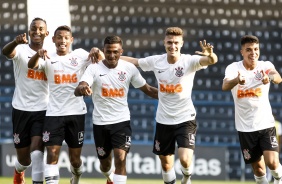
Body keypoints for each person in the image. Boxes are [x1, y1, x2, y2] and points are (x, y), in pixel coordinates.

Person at [120, 27, 218, 184]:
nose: (173, 46)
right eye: (170, 42)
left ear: (182, 44)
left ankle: (187, 177)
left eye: (176, 43)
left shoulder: (189, 61)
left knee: (185, 160)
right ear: (164, 43)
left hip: (186, 118)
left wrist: (210, 54)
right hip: (163, 120)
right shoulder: (156, 61)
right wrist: (108, 57)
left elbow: (211, 61)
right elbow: (134, 62)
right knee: (166, 164)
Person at [74, 35, 158, 184]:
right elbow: (80, 86)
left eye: (115, 51)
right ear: (103, 51)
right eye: (108, 51)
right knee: (105, 165)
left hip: (121, 121)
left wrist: (171, 96)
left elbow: (149, 90)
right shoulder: (94, 68)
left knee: (120, 158)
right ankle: (109, 177)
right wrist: (83, 88)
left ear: (121, 51)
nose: (111, 55)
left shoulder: (129, 68)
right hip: (100, 123)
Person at [28, 25, 101, 184]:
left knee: (75, 160)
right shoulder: (47, 57)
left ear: (71, 40)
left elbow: (101, 59)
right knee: (52, 154)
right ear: (53, 39)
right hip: (54, 113)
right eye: (59, 37)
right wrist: (37, 55)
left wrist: (96, 50)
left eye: (66, 38)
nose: (62, 41)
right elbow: (31, 66)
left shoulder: (80, 55)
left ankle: (76, 175)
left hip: (76, 113)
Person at [222, 35, 282, 184]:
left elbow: (278, 76)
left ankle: (279, 180)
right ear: (242, 51)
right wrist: (238, 80)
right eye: (248, 50)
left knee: (272, 163)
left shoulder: (264, 66)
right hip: (245, 128)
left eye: (256, 49)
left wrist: (270, 78)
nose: (253, 53)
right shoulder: (233, 68)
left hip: (266, 124)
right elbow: (225, 85)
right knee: (259, 169)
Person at [2, 17, 49, 184]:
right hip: (21, 109)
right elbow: (6, 52)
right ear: (29, 32)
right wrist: (15, 42)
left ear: (46, 33)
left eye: (40, 29)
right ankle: (18, 171)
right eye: (33, 28)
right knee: (24, 160)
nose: (37, 31)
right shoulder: (20, 50)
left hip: (42, 110)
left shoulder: (51, 55)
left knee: (37, 153)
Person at [267, 115, 282, 182]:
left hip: (274, 144)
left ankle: (277, 176)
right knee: (269, 161)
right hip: (269, 145)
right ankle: (270, 178)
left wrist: (279, 146)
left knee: (274, 161)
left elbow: (280, 136)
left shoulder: (277, 124)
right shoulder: (266, 124)